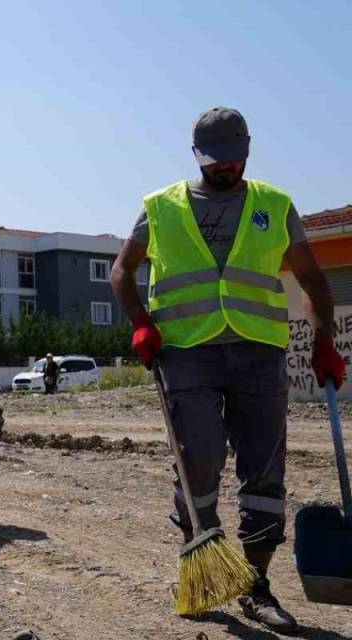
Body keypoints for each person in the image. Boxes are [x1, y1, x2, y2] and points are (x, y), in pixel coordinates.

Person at [112, 106, 345, 634]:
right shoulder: (160, 207)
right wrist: (140, 322)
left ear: (248, 151)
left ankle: (257, 585)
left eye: (235, 160)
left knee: (264, 468)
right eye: (216, 162)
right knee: (198, 457)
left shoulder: (274, 204)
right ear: (197, 156)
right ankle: (204, 561)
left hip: (259, 352)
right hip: (186, 352)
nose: (226, 169)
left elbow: (313, 280)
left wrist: (325, 342)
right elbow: (122, 271)